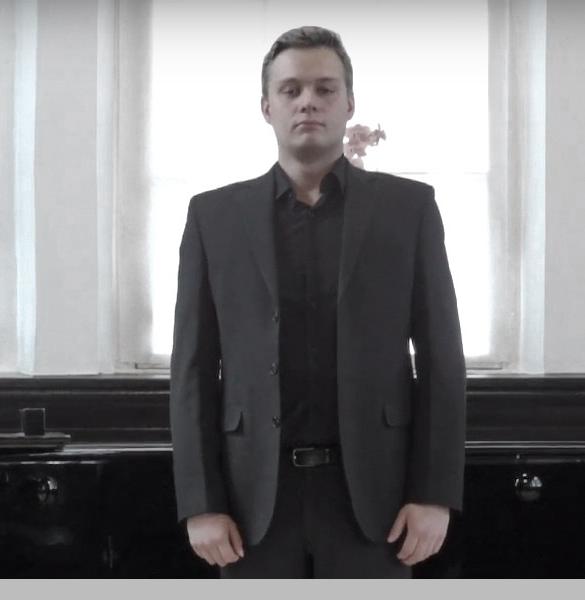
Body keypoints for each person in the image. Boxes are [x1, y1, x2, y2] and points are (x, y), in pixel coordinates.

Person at [169, 25, 466, 578]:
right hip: (251, 504)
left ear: (349, 103)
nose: (308, 101)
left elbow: (441, 357)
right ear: (267, 107)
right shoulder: (213, 217)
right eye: (291, 90)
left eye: (325, 89)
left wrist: (434, 494)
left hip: (377, 500)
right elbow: (192, 369)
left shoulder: (409, 209)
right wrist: (201, 502)